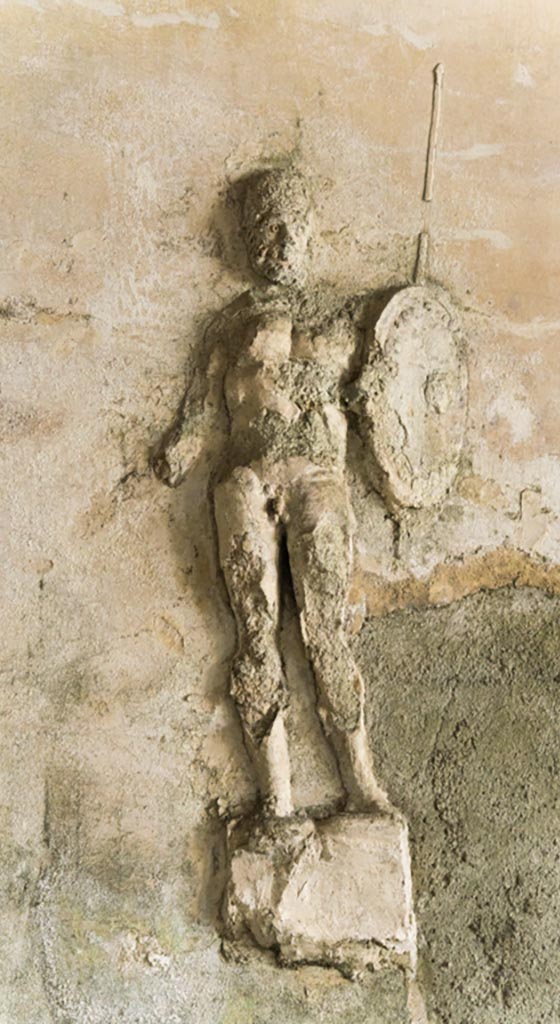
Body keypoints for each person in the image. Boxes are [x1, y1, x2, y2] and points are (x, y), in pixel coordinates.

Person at [154, 166, 391, 818]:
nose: (281, 243)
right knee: (256, 635)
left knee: (328, 633)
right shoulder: (230, 325)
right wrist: (177, 450)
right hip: (247, 479)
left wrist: (377, 393)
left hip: (319, 479)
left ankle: (361, 785)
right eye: (266, 228)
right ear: (247, 236)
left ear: (311, 230)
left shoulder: (346, 321)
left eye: (291, 227)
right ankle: (276, 799)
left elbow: (386, 406)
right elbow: (197, 418)